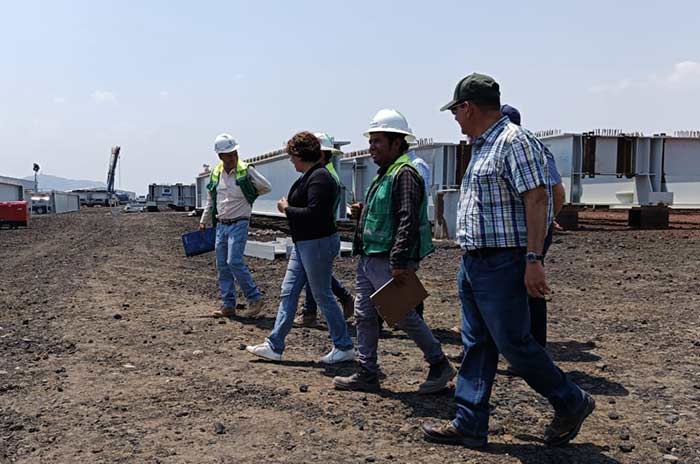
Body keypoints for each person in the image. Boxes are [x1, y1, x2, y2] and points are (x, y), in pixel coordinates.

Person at [422, 74, 594, 448]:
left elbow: (539, 199)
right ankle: (469, 422)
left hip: (504, 260)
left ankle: (571, 400)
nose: (454, 117)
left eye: (455, 110)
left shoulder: (514, 142)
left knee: (514, 343)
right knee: (477, 343)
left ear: (467, 107)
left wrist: (534, 258)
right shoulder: (484, 146)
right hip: (476, 261)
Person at [332, 109, 455, 394]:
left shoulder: (405, 174)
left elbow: (408, 218)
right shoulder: (387, 174)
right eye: (371, 140)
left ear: (397, 143)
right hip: (370, 257)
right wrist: (363, 213)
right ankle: (367, 371)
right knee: (364, 314)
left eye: (377, 141)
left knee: (402, 315)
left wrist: (399, 261)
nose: (371, 147)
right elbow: (389, 213)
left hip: (388, 258)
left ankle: (438, 363)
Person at [246, 131, 354, 364]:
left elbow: (315, 214)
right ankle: (274, 345)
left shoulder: (320, 178)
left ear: (300, 154)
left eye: (292, 156)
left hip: (316, 243)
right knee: (289, 292)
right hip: (304, 243)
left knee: (322, 294)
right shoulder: (311, 175)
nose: (291, 161)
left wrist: (286, 209)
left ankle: (344, 346)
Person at [501, 104, 565, 347]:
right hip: (537, 227)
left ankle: (531, 345)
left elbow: (552, 193)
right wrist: (549, 218)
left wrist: (544, 220)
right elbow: (558, 192)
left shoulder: (517, 147)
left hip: (522, 231)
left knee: (527, 284)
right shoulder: (540, 149)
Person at [200, 133, 271, 318]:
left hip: (239, 222)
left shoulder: (245, 170)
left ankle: (255, 299)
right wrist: (203, 220)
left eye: (234, 153)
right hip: (221, 224)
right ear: (220, 157)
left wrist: (250, 195)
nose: (232, 157)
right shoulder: (216, 174)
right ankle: (228, 304)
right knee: (222, 265)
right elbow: (211, 199)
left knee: (234, 261)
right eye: (228, 155)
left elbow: (266, 187)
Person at [293, 133, 355, 328]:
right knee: (317, 276)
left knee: (316, 278)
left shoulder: (322, 175)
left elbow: (315, 210)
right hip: (319, 233)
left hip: (318, 234)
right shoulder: (324, 172)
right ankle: (335, 301)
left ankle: (312, 312)